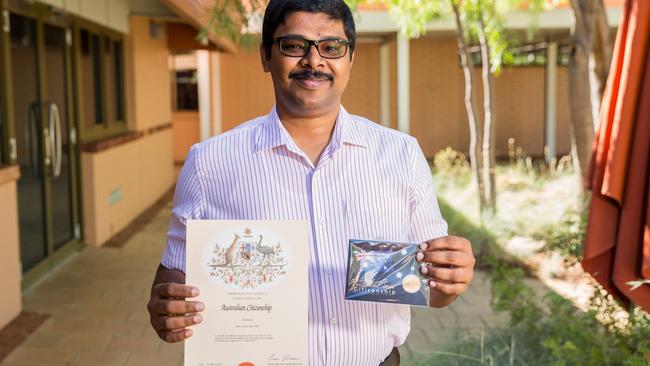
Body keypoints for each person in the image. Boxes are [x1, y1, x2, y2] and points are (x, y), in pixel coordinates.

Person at [147, 1, 476, 365]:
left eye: (331, 47)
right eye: (294, 45)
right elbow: (175, 269)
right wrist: (168, 302)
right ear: (266, 56)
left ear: (350, 58)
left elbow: (432, 288)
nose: (314, 61)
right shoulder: (210, 162)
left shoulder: (401, 155)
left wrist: (450, 277)